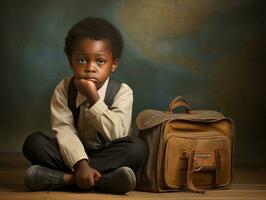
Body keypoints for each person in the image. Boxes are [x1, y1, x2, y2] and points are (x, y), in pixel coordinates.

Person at [22, 16, 148, 194]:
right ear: (70, 62)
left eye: (100, 61)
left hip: (108, 154)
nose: (90, 67)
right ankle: (105, 181)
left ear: (113, 64)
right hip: (71, 155)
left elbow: (117, 134)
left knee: (138, 148)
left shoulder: (123, 92)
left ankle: (64, 179)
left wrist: (94, 99)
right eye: (82, 60)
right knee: (34, 143)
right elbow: (64, 131)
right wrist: (81, 165)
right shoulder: (64, 89)